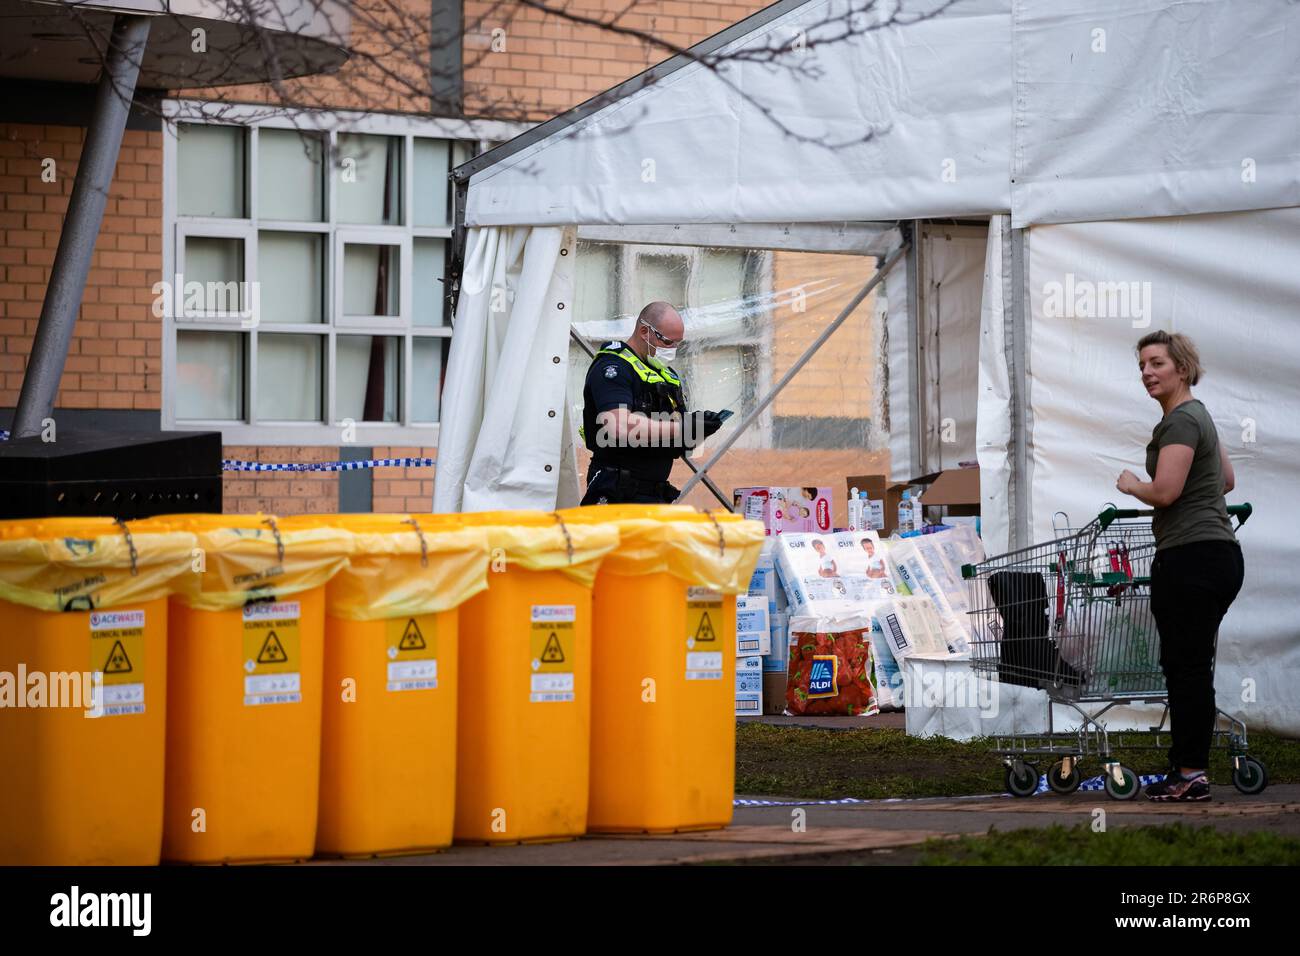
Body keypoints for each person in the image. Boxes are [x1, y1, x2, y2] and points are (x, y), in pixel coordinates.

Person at [1115, 330, 1243, 802]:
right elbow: (1226, 480)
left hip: (1191, 557)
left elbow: (1165, 491)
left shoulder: (1180, 422)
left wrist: (1132, 484)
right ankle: (1187, 766)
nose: (1147, 373)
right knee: (1192, 666)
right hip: (1219, 555)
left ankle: (1190, 773)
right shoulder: (1198, 416)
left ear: (1181, 369)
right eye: (1143, 366)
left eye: (1157, 364)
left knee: (1185, 668)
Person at [580, 301, 725, 505]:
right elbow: (618, 426)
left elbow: (677, 442)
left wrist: (698, 428)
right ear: (644, 331)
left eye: (678, 343)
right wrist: (682, 428)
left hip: (655, 492)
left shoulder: (666, 376)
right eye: (668, 342)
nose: (673, 349)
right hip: (616, 490)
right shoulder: (613, 367)